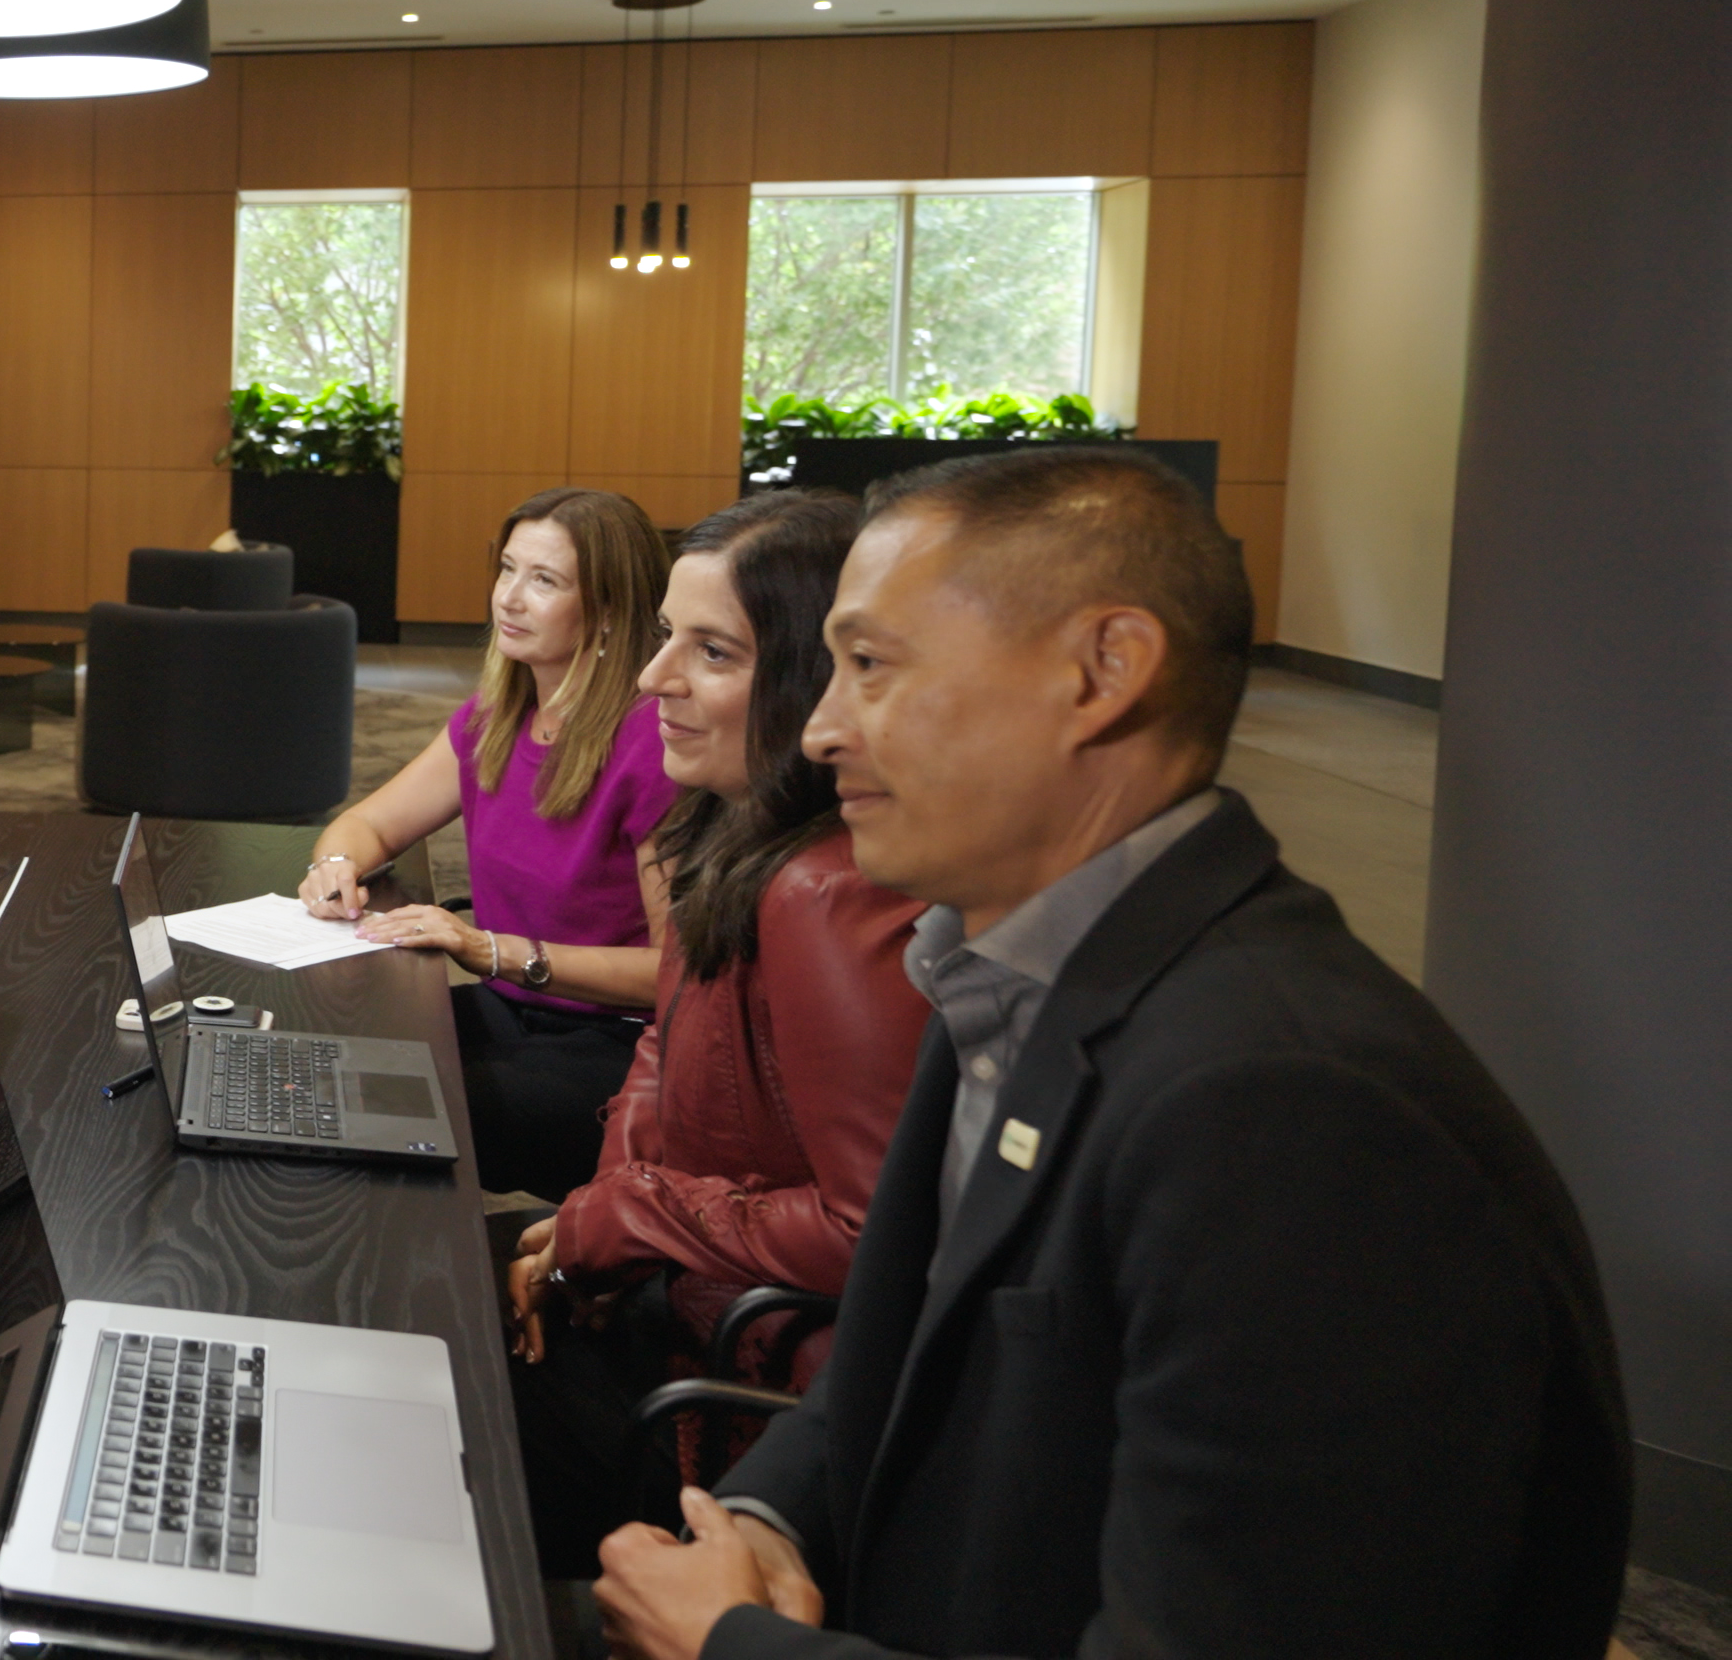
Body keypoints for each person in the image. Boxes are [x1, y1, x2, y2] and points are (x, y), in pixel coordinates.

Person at [590, 446, 1629, 1660]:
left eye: (869, 666)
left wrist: (735, 1646)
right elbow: (903, 1361)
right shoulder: (1004, 967)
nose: (821, 729)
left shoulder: (1288, 1111)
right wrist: (769, 1521)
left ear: (1105, 672)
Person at [493, 491, 928, 1578]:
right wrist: (594, 1218)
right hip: (675, 1301)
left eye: (713, 653)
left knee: (426, 1369)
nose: (652, 681)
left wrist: (628, 1217)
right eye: (662, 641)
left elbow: (871, 1228)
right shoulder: (731, 834)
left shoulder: (825, 897)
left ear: (813, 678)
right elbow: (659, 1055)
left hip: (739, 1402)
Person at [302, 485, 677, 1198]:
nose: (509, 598)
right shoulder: (496, 719)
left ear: (607, 609)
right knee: (330, 1058)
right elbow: (366, 825)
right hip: (515, 1010)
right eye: (507, 570)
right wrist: (335, 866)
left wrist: (488, 950)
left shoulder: (651, 745)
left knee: (384, 1112)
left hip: (620, 1047)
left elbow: (673, 974)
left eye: (544, 581)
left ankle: (420, 1297)